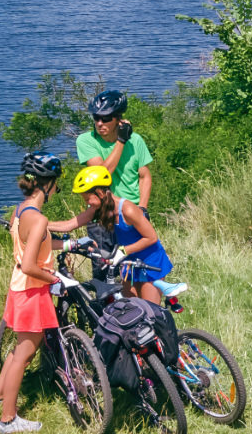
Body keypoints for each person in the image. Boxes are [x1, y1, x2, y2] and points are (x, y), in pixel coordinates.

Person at [0, 151, 80, 434]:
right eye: (57, 184)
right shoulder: (39, 219)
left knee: (19, 350)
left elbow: (35, 245)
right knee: (24, 354)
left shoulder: (22, 211)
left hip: (17, 289)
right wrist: (56, 279)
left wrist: (68, 245)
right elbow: (31, 265)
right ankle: (8, 420)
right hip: (31, 291)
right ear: (49, 184)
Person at [75, 89, 186, 300]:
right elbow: (102, 174)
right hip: (105, 215)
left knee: (139, 269)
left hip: (130, 214)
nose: (99, 123)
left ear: (118, 119)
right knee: (104, 272)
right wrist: (120, 142)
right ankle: (110, 322)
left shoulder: (136, 141)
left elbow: (145, 176)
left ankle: (145, 320)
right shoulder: (86, 141)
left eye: (106, 118)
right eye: (96, 118)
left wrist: (142, 209)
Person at [52, 165, 174, 305]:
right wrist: (41, 224)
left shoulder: (128, 210)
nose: (87, 203)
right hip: (130, 263)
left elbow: (152, 238)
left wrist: (123, 251)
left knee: (150, 312)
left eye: (87, 199)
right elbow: (69, 225)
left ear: (100, 193)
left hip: (150, 262)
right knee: (130, 310)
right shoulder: (98, 208)